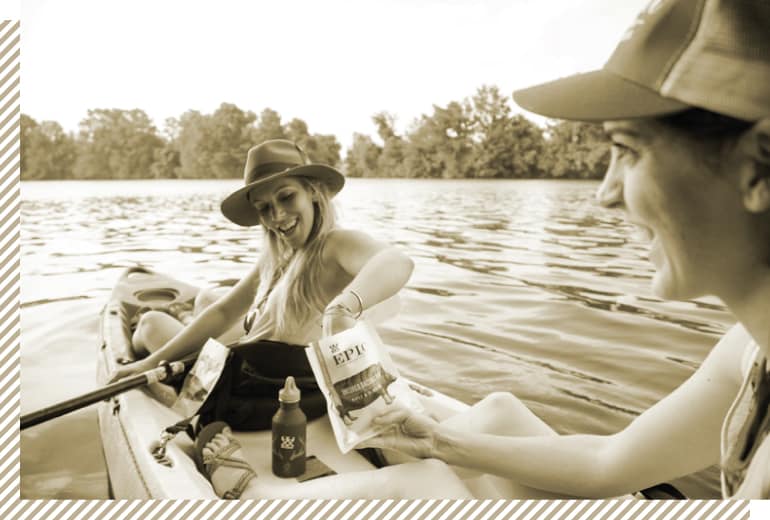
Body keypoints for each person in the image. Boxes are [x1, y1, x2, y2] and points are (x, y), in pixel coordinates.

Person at [361, 0, 770, 500]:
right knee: (496, 417)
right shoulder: (750, 347)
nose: (605, 193)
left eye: (628, 149)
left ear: (758, 168)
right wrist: (438, 440)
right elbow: (610, 462)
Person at [109, 139, 415, 403]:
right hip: (253, 368)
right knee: (208, 300)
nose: (277, 215)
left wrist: (344, 306)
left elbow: (397, 262)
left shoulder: (334, 242)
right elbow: (225, 310)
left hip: (254, 387)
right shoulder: (281, 255)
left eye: (286, 197)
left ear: (313, 192)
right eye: (264, 208)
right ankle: (174, 331)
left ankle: (149, 353)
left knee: (149, 323)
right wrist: (147, 364)